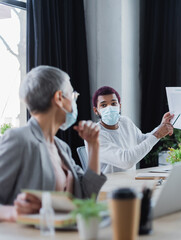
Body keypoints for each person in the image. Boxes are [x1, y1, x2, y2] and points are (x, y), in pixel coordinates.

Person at [0, 66, 106, 221]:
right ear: (59, 98)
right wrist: (13, 213)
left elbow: (87, 196)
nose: (74, 102)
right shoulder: (19, 139)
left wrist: (94, 146)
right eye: (72, 95)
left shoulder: (61, 147)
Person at [88, 86, 174, 173]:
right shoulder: (94, 134)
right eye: (103, 105)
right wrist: (157, 134)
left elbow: (142, 141)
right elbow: (126, 161)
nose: (109, 108)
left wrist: (161, 127)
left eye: (113, 104)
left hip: (129, 180)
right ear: (96, 110)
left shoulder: (125, 122)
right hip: (107, 184)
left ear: (119, 106)